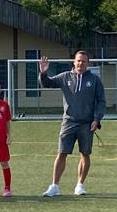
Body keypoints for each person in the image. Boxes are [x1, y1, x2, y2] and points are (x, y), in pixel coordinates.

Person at [39, 51, 106, 197]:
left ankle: (80, 185)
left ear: (88, 63)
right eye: (78, 60)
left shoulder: (95, 80)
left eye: (83, 61)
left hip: (87, 124)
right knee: (62, 153)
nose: (80, 63)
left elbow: (101, 101)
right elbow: (47, 83)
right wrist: (43, 73)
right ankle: (54, 186)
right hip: (68, 121)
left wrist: (97, 119)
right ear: (74, 62)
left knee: (85, 154)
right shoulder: (65, 77)